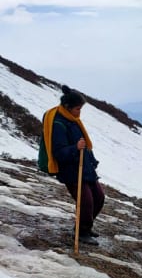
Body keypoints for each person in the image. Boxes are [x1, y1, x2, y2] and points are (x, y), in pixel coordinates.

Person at [43, 85, 105, 246]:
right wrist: (75, 148)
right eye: (78, 109)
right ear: (67, 107)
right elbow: (58, 152)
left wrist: (92, 160)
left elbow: (83, 144)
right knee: (86, 201)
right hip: (71, 171)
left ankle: (84, 227)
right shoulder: (59, 124)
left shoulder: (73, 120)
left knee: (99, 197)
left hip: (85, 167)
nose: (79, 112)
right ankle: (82, 232)